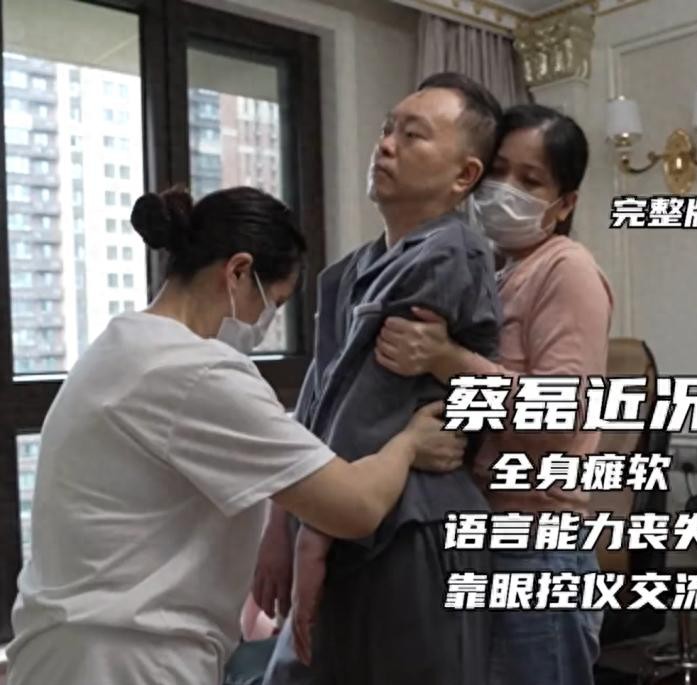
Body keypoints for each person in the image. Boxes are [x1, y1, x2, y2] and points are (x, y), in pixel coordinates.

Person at [6, 186, 466, 685]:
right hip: (127, 660)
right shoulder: (196, 371)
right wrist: (408, 444)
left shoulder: (121, 346)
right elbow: (355, 506)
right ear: (239, 271)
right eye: (273, 303)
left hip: (64, 651)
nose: (264, 324)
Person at [257, 73, 503, 685]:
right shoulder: (347, 273)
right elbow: (318, 399)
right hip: (340, 510)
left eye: (413, 135)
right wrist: (281, 519)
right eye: (388, 129)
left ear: (464, 175)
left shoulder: (450, 253)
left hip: (413, 523)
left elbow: (373, 402)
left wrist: (312, 533)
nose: (386, 144)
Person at [374, 104, 613, 685]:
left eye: (530, 180)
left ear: (565, 203)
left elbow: (560, 415)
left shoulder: (567, 268)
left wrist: (448, 359)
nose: (506, 190)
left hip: (537, 541)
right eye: (499, 171)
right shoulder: (494, 269)